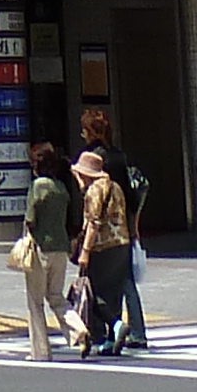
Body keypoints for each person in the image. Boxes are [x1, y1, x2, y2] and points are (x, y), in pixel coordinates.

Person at [71, 146, 135, 358]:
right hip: (122, 244)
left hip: (102, 247)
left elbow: (93, 222)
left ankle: (116, 326)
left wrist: (85, 251)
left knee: (91, 292)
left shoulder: (94, 190)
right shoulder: (114, 186)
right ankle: (110, 339)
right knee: (114, 293)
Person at [15, 142, 74, 360]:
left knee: (35, 301)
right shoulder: (61, 188)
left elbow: (30, 219)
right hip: (61, 246)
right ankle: (78, 331)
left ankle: (40, 351)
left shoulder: (38, 186)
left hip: (41, 248)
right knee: (57, 296)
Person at [96, 126, 153, 355]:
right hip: (124, 230)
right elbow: (135, 193)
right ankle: (136, 331)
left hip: (108, 235)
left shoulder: (101, 160)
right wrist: (134, 226)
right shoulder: (120, 157)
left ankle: (112, 330)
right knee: (126, 282)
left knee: (107, 283)